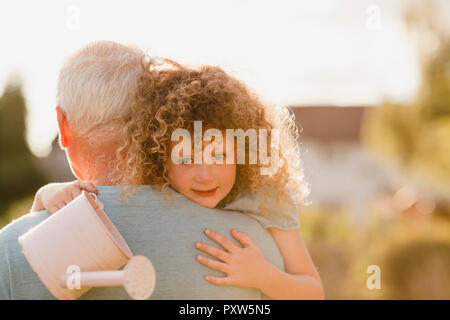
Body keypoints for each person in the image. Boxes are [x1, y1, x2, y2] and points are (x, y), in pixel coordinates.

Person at [0, 41, 317, 299]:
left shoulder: (10, 249)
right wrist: (46, 194)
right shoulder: (258, 242)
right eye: (185, 157)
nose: (204, 174)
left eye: (219, 155)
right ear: (156, 143)